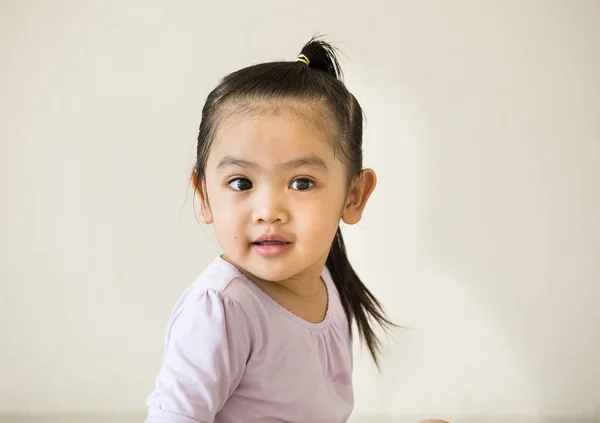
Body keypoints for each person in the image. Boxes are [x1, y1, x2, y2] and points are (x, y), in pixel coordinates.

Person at [145, 36, 396, 423]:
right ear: (205, 196)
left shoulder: (328, 281)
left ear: (354, 196)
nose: (268, 212)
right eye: (241, 183)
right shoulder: (223, 311)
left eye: (301, 183)